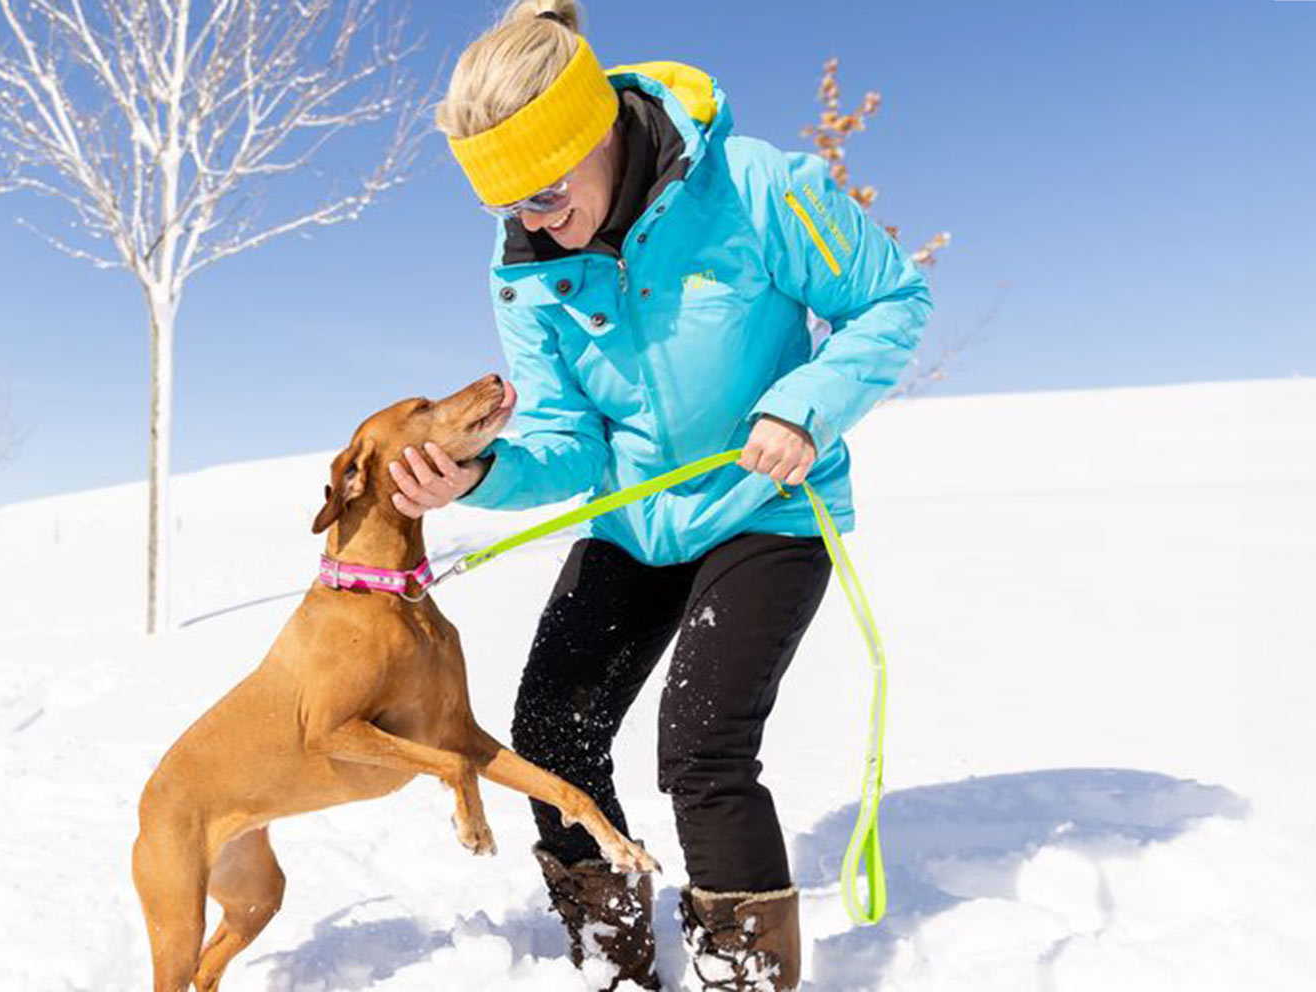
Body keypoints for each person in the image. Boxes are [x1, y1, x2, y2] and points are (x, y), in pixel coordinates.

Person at [391, 2, 931, 987]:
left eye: (548, 194)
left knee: (701, 746)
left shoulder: (758, 187)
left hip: (764, 506)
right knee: (551, 733)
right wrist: (482, 474)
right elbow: (565, 441)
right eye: (507, 207)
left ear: (596, 132)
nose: (533, 225)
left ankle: (744, 972)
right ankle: (613, 953)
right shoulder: (525, 271)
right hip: (636, 522)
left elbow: (892, 297)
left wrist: (803, 406)